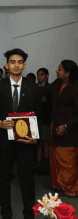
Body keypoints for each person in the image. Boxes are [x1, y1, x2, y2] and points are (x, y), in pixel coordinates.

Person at [0, 48, 41, 219]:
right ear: (6, 65)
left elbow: (39, 116)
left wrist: (35, 139)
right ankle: (6, 214)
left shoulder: (34, 88)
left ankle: (29, 214)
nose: (16, 65)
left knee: (27, 180)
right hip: (4, 141)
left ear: (24, 65)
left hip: (26, 141)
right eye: (12, 62)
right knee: (4, 181)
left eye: (20, 62)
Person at [44, 60, 78, 196]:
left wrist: (66, 125)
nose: (57, 71)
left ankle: (70, 189)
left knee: (67, 161)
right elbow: (41, 91)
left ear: (68, 73)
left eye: (60, 69)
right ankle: (58, 185)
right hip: (55, 130)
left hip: (70, 133)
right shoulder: (57, 84)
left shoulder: (76, 87)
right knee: (55, 159)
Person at [34, 68, 52, 175]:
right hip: (35, 119)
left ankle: (45, 166)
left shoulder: (50, 88)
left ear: (47, 76)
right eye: (38, 75)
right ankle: (38, 164)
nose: (39, 77)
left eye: (42, 74)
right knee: (38, 143)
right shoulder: (35, 88)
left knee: (45, 143)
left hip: (45, 119)